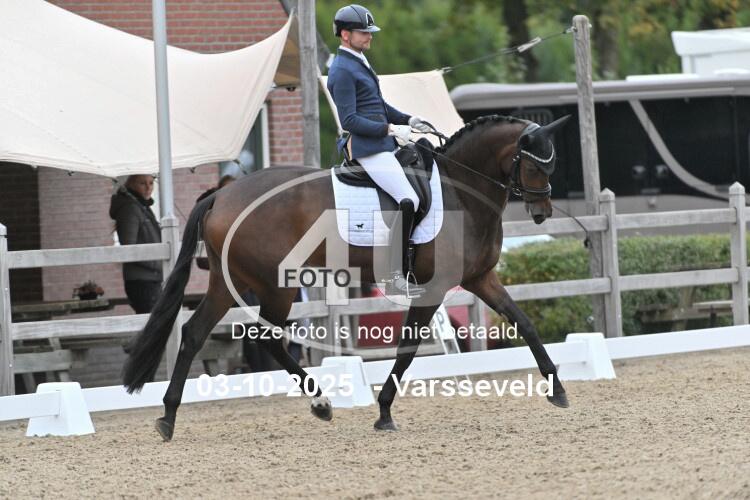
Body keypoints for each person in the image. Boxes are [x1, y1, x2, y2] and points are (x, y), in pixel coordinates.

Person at [327, 4, 433, 297]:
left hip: (382, 144)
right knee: (408, 199)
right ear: (345, 35)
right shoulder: (341, 70)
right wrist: (389, 130)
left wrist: (409, 119)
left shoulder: (358, 61)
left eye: (369, 32)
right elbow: (349, 120)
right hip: (368, 149)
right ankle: (394, 274)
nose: (369, 36)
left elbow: (378, 106)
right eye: (363, 32)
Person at [109, 174, 163, 313]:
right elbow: (129, 248)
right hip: (142, 282)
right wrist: (160, 263)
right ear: (131, 185)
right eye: (142, 183)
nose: (148, 188)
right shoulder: (130, 208)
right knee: (154, 323)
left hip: (151, 279)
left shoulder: (142, 206)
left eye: (151, 183)